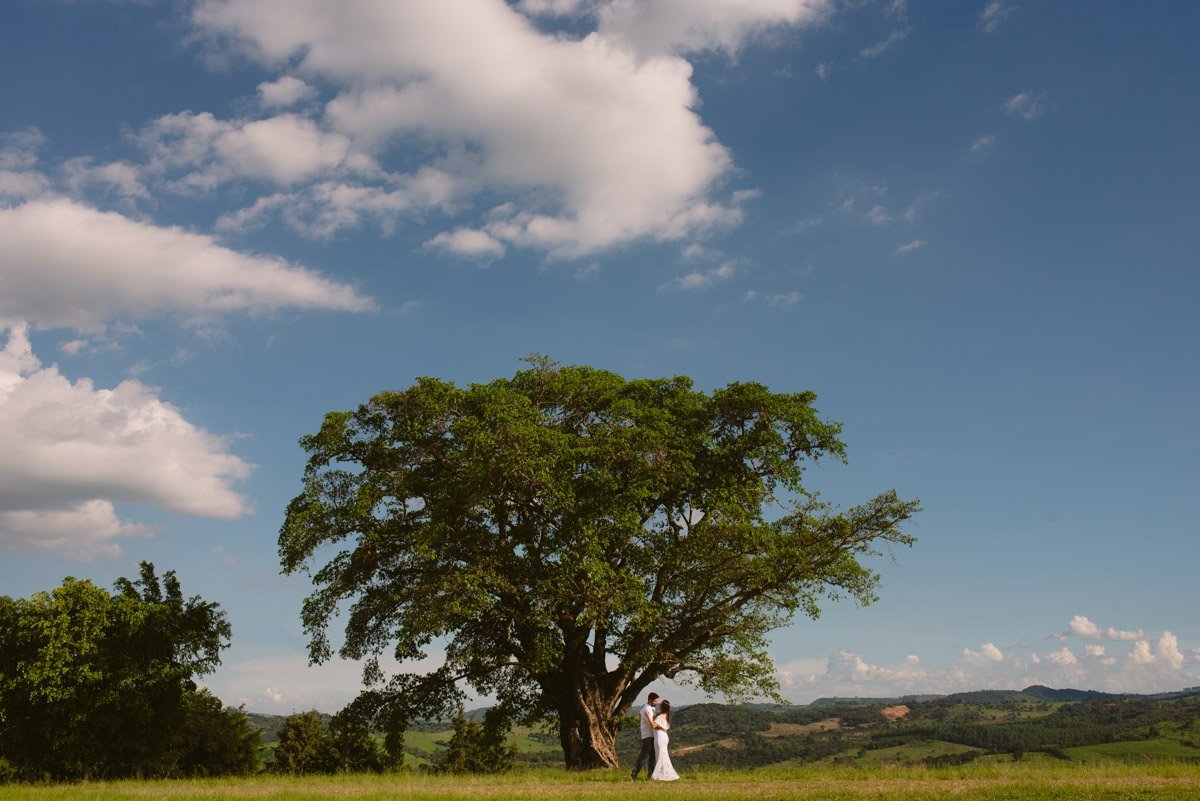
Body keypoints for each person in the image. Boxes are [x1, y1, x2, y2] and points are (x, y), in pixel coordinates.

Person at [630, 692, 659, 780]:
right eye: (655, 701)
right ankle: (634, 773)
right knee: (644, 755)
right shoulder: (648, 709)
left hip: (648, 734)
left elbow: (639, 716)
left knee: (652, 756)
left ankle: (650, 775)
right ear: (650, 700)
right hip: (648, 735)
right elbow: (651, 724)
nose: (656, 702)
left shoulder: (645, 708)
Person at [650, 699, 679, 781]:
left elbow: (653, 725)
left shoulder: (660, 716)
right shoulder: (667, 715)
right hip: (664, 737)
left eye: (660, 704)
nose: (658, 705)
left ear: (663, 707)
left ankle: (658, 775)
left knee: (660, 755)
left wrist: (648, 717)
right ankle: (663, 773)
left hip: (660, 737)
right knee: (663, 755)